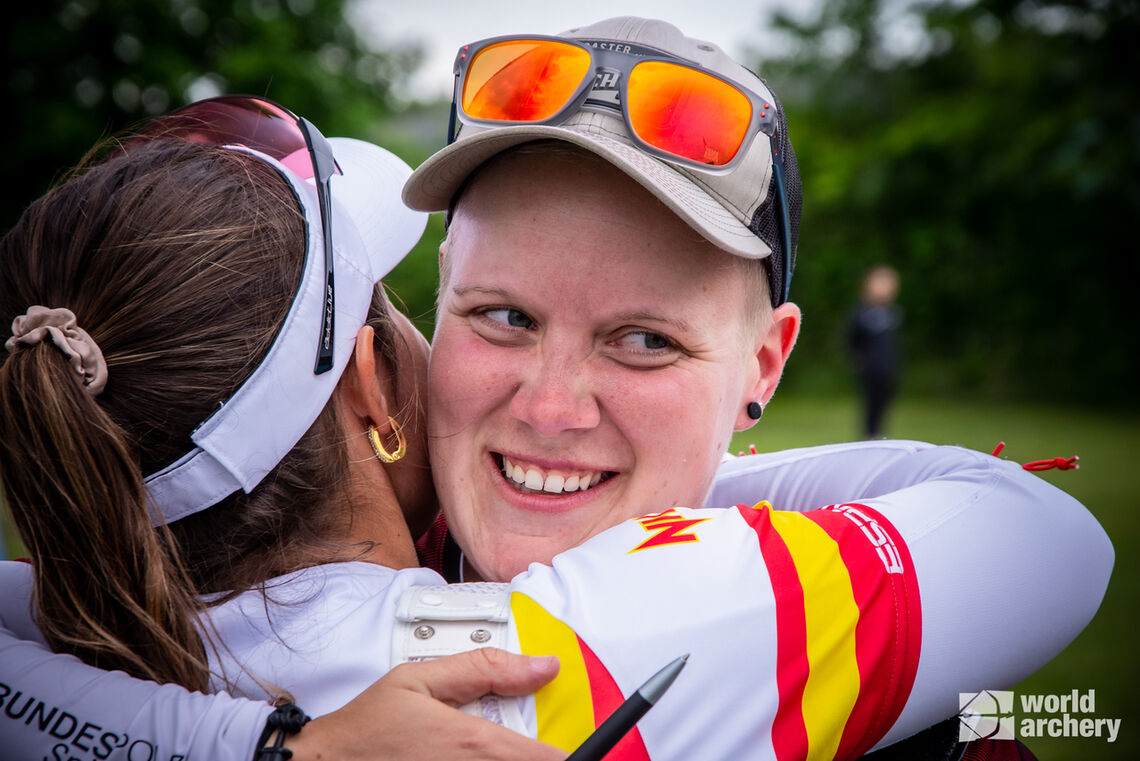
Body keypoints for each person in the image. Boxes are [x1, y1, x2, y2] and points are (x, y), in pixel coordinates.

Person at [0, 19, 1112, 761]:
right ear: (381, 374)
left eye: (643, 341)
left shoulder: (104, 605)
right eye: (503, 317)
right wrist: (725, 472)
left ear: (763, 367)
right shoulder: (590, 638)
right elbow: (1047, 537)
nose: (551, 407)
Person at [847, 265, 903, 439]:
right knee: (871, 402)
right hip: (870, 368)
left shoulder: (893, 313)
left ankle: (879, 431)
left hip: (888, 366)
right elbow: (852, 338)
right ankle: (869, 433)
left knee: (884, 401)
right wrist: (858, 360)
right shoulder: (862, 313)